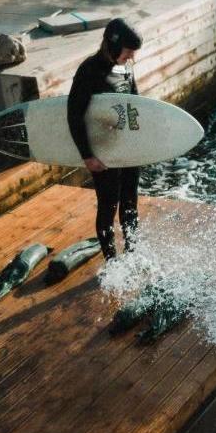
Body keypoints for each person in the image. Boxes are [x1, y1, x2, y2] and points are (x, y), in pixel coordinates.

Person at [66, 18, 143, 260]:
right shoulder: (89, 70)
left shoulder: (126, 68)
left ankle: (131, 252)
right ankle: (112, 259)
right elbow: (74, 115)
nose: (131, 57)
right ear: (113, 44)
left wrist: (142, 145)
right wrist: (87, 156)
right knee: (108, 204)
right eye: (128, 50)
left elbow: (135, 106)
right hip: (102, 150)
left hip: (127, 148)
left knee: (130, 201)